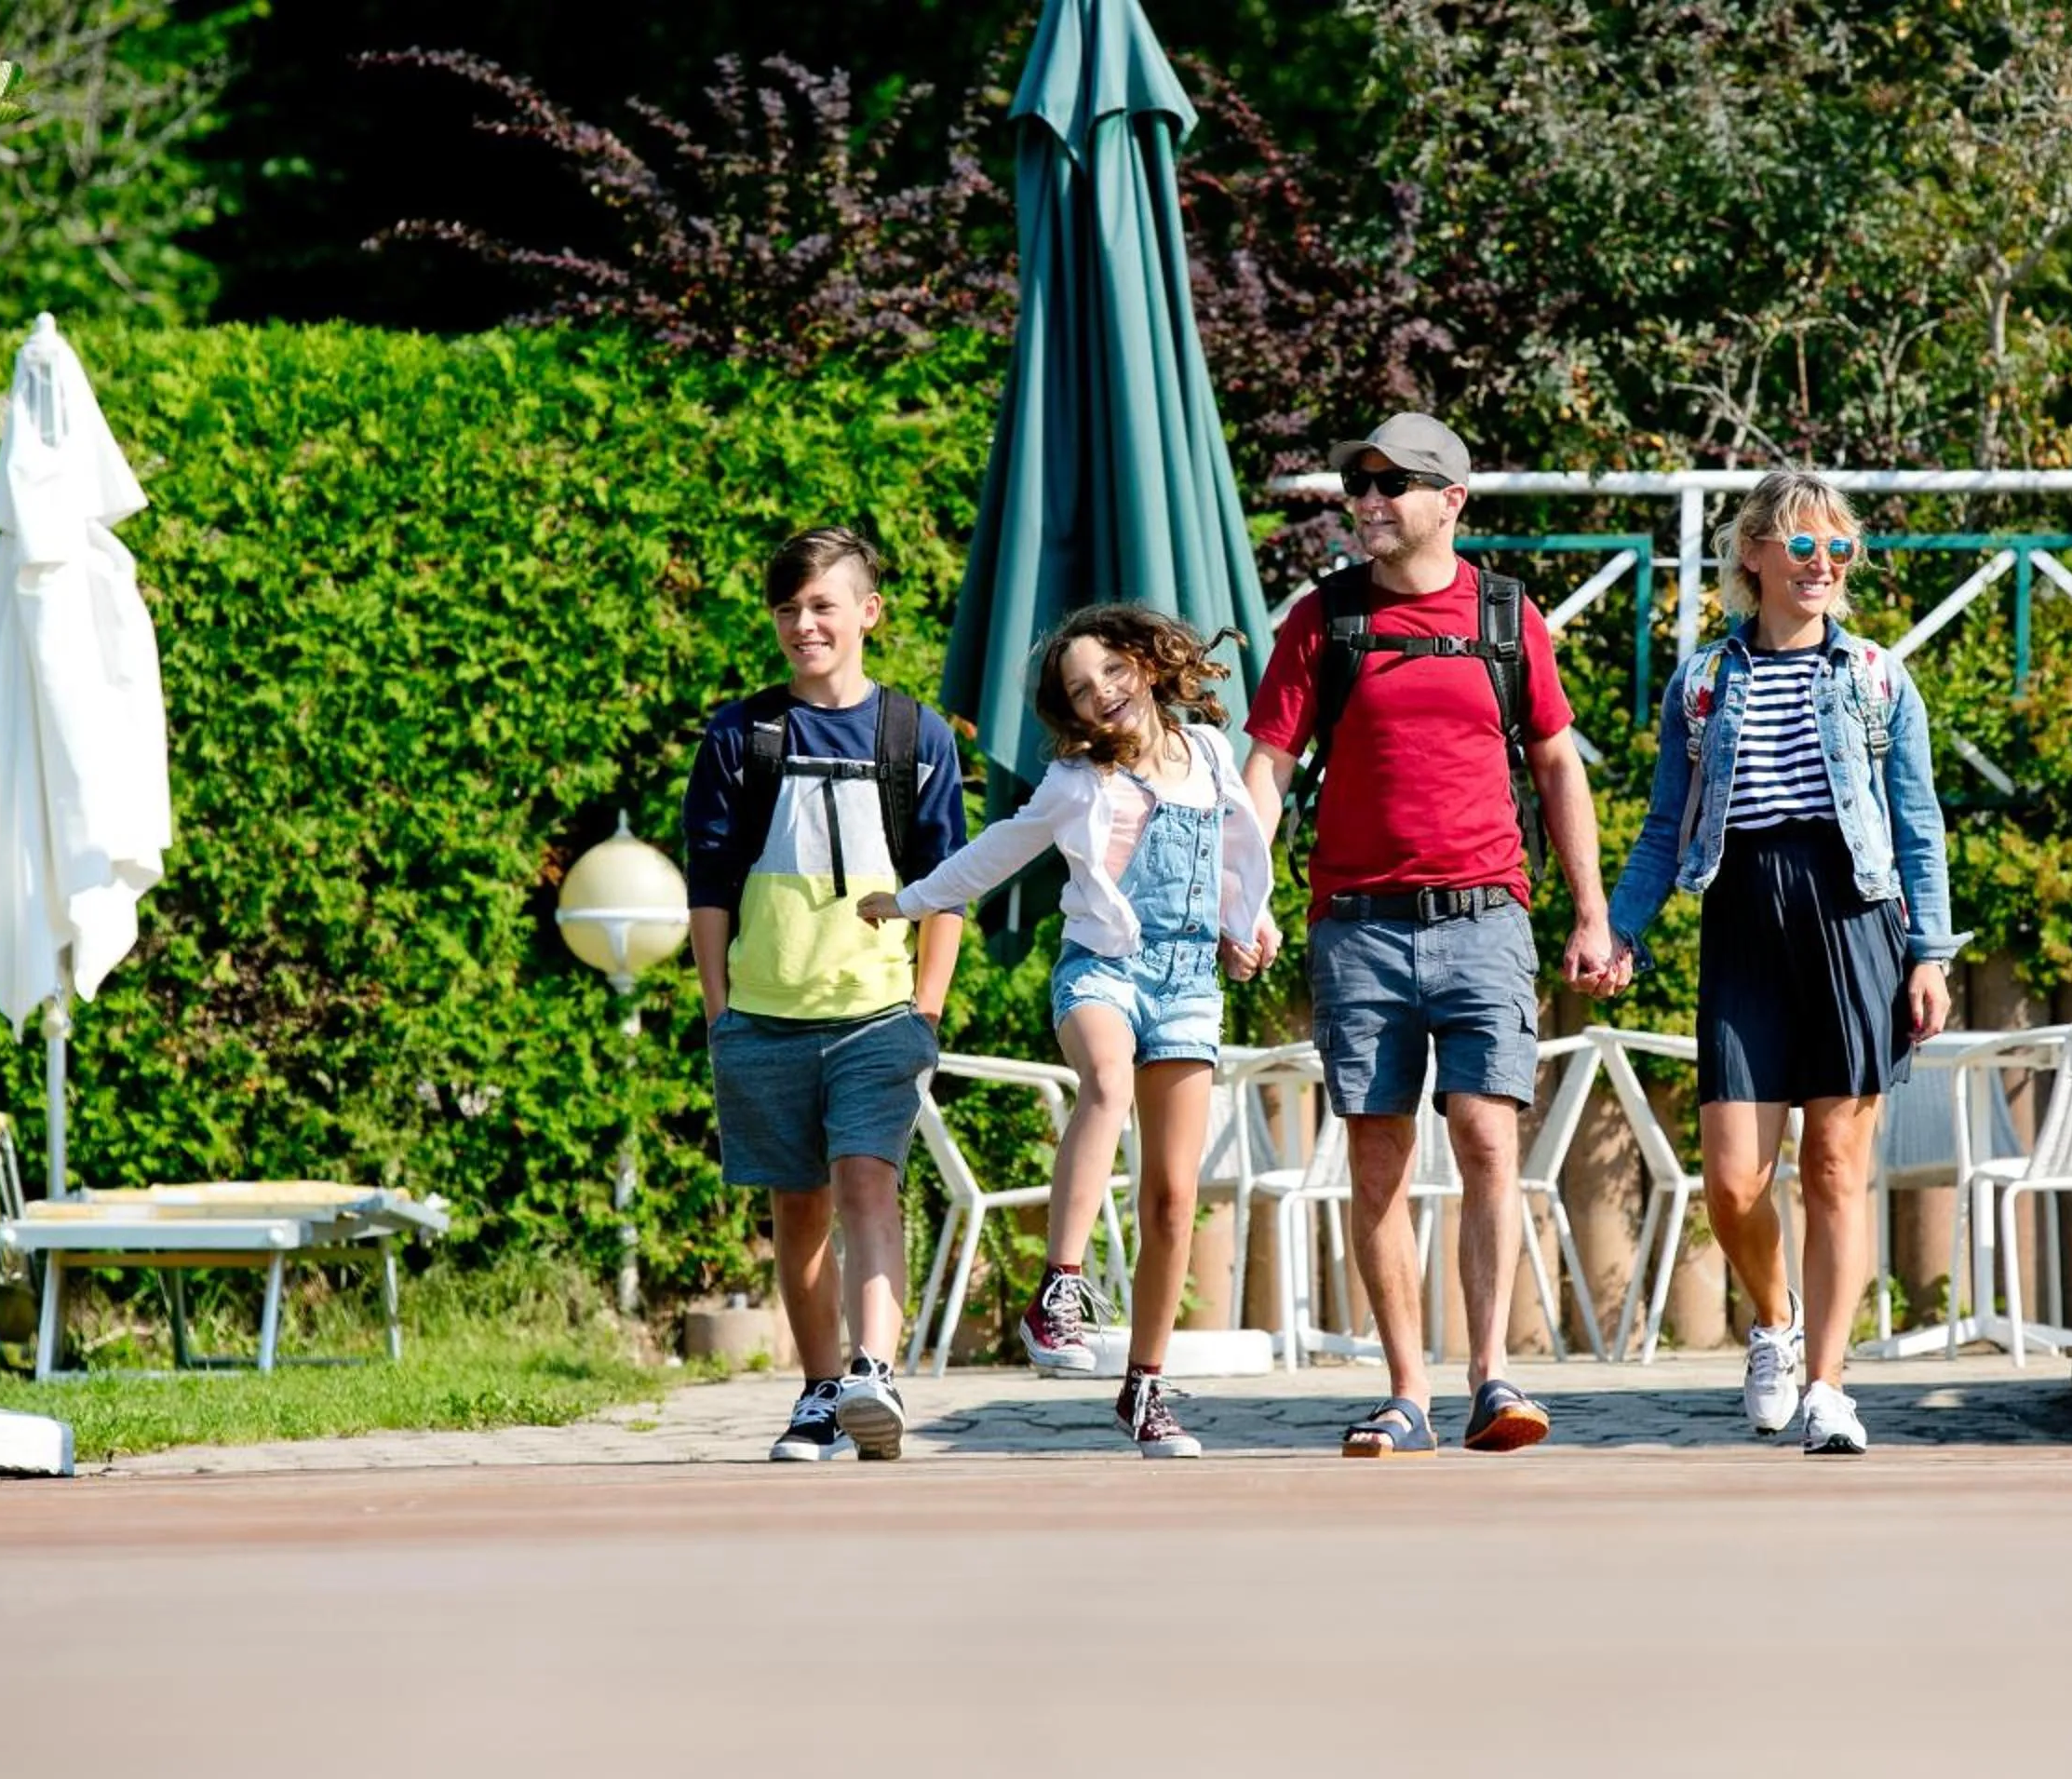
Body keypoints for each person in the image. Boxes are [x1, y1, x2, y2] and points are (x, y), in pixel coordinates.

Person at [1241, 411, 1616, 1458]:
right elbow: (1267, 765)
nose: (1367, 500)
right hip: (1357, 926)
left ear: (1451, 500)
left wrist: (1591, 910)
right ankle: (1407, 1393)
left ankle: (1491, 1378)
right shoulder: (1324, 620)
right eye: (1358, 483)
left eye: (1391, 483)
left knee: (1489, 1138)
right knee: (1376, 1156)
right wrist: (1244, 891)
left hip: (1486, 915)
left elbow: (1556, 763)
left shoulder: (1505, 614)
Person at [859, 603, 1278, 1459]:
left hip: (1189, 985)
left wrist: (1248, 926)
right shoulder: (1077, 782)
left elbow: (1236, 859)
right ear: (1072, 712)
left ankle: (1145, 1387)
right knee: (1107, 1083)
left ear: (1147, 665)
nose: (1103, 694)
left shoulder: (1208, 753)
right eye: (1082, 691)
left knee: (1173, 1199)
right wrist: (907, 902)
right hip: (1102, 971)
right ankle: (1059, 1287)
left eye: (1112, 672)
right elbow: (997, 851)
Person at [1602, 468, 1963, 1454]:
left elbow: (1919, 824)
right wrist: (1619, 928)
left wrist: (1930, 954)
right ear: (1754, 554)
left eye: (1839, 547)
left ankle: (1829, 1386)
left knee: (1836, 1166)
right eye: (1802, 545)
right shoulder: (1704, 682)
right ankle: (1774, 1321)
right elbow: (1665, 826)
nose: (1822, 564)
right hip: (1744, 920)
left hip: (1854, 915)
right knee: (1733, 1181)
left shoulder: (1878, 676)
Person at [683, 526, 968, 1463]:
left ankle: (872, 1375)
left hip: (878, 1015)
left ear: (868, 612)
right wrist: (720, 1010)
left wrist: (927, 1008)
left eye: (821, 605)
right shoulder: (741, 735)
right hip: (764, 1017)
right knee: (798, 1211)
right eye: (787, 609)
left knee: (867, 1183)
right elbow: (710, 883)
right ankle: (818, 1395)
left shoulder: (916, 736)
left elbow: (947, 884)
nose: (803, 624)